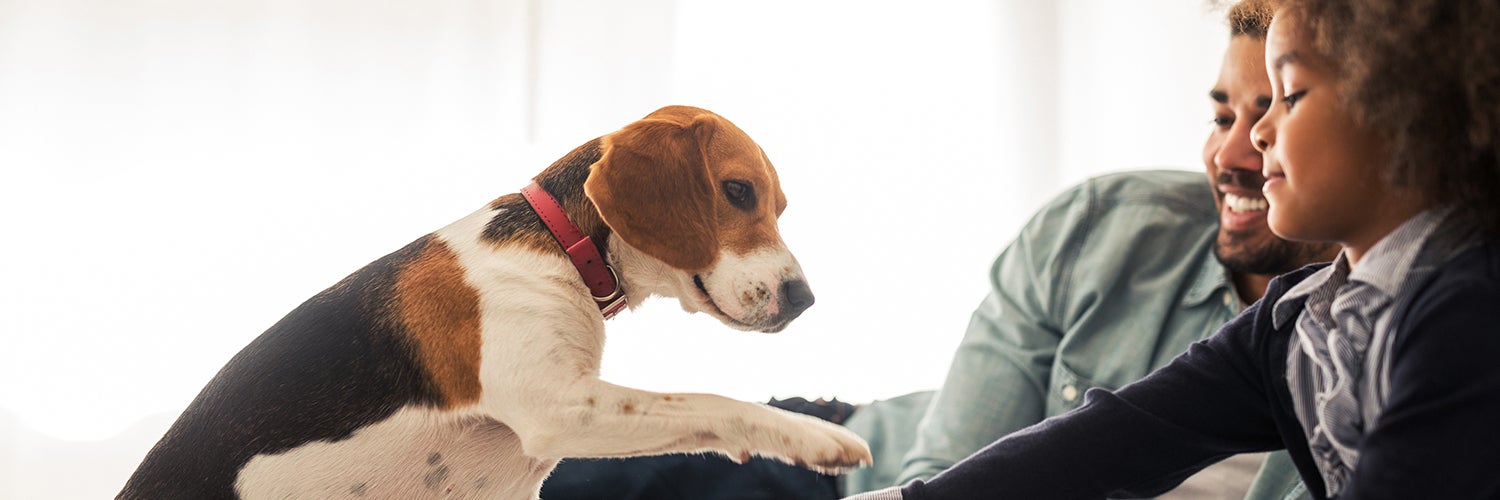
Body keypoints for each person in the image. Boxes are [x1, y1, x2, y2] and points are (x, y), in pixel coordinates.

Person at [541, 2, 1337, 499]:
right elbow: (946, 465)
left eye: (1278, 108)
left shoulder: (1351, 352)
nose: (1239, 150)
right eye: (1224, 112)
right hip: (843, 461)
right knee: (519, 474)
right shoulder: (1104, 227)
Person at [845, 0, 1500, 497]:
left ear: (1401, 116)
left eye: (1289, 95)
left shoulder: (1467, 314)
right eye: (1227, 116)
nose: (1258, 135)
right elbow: (1118, 436)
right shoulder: (1298, 320)